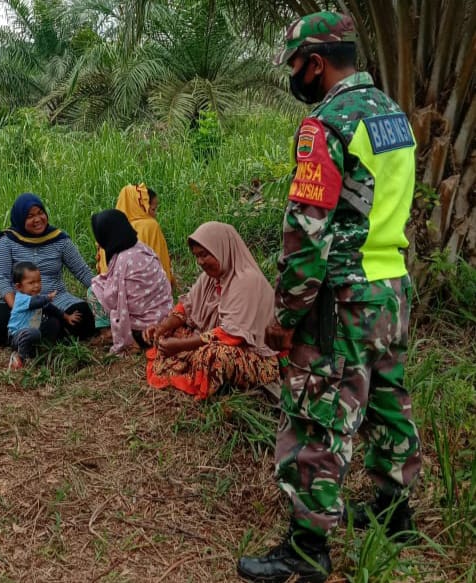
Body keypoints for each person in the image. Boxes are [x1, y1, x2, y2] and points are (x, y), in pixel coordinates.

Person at [237, 12, 421, 583]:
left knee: (319, 411)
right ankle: (395, 510)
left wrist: (286, 315)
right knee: (388, 394)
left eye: (295, 66)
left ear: (316, 63)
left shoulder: (327, 124)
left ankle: (306, 547)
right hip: (390, 285)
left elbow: (306, 233)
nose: (295, 77)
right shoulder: (393, 116)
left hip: (343, 294)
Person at [144, 222, 279, 400]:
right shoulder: (211, 277)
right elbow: (187, 306)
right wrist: (163, 326)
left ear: (222, 249)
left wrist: (180, 345)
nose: (200, 262)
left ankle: (207, 379)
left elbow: (232, 335)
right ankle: (190, 359)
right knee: (173, 331)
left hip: (253, 353)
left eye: (204, 255)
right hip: (215, 338)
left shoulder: (247, 281)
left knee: (214, 356)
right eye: (196, 256)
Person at [0, 193, 95, 344]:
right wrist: (17, 306)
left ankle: (40, 332)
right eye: (30, 216)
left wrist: (103, 291)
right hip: (20, 300)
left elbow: (82, 270)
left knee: (83, 315)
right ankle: (45, 333)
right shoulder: (6, 241)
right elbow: (1, 277)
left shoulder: (60, 239)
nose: (37, 219)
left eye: (40, 213)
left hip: (56, 299)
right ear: (20, 218)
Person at [90, 209, 173, 354]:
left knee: (94, 288)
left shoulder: (122, 260)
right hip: (165, 317)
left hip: (141, 328)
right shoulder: (142, 248)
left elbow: (114, 299)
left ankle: (108, 332)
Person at [7, 262, 81, 369]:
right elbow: (36, 302)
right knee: (33, 332)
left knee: (53, 322)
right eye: (31, 283)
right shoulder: (21, 299)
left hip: (33, 331)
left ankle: (46, 347)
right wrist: (47, 297)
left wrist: (67, 317)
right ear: (19, 287)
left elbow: (53, 309)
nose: (37, 285)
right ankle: (21, 356)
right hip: (17, 336)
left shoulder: (38, 298)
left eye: (39, 281)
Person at [97, 183, 174, 284]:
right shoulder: (150, 226)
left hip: (112, 293)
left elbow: (104, 270)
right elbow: (161, 263)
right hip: (145, 293)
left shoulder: (109, 228)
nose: (155, 214)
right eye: (153, 209)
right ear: (141, 207)